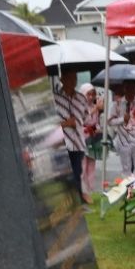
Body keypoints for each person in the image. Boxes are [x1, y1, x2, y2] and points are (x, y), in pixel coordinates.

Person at [54, 73, 90, 203]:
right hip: (63, 142)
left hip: (78, 141)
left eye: (75, 78)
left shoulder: (81, 98)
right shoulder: (56, 98)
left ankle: (79, 199)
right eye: (70, 77)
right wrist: (66, 123)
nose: (73, 81)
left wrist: (79, 122)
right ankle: (71, 200)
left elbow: (87, 117)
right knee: (66, 174)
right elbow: (51, 123)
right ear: (62, 79)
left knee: (78, 172)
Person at [109, 80, 135, 176]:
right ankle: (126, 185)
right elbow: (110, 122)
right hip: (123, 141)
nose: (130, 90)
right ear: (124, 88)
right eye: (128, 88)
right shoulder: (117, 104)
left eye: (132, 88)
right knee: (126, 170)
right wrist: (122, 119)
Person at [80, 83, 105, 200]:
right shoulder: (80, 106)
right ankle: (82, 190)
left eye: (92, 94)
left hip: (92, 139)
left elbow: (96, 123)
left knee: (91, 165)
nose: (90, 97)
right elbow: (82, 119)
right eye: (88, 94)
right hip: (81, 139)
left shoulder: (95, 107)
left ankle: (90, 190)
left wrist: (98, 129)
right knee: (82, 165)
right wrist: (96, 109)